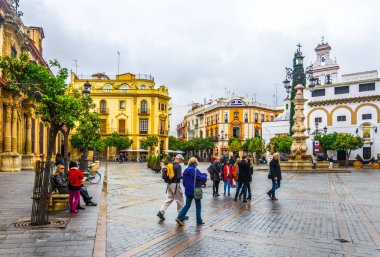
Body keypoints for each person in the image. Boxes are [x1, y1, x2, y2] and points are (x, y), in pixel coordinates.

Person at [176, 157, 207, 226]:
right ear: (195, 163)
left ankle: (179, 217)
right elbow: (202, 178)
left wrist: (187, 187)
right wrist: (205, 175)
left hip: (188, 190)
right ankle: (199, 220)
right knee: (198, 205)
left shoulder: (186, 170)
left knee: (187, 205)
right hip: (196, 190)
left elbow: (183, 182)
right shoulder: (195, 170)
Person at [157, 154, 185, 221]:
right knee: (180, 199)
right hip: (175, 184)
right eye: (181, 160)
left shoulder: (170, 164)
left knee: (170, 198)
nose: (181, 161)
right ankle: (181, 215)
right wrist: (184, 175)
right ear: (178, 159)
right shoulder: (178, 166)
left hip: (169, 184)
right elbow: (178, 177)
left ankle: (161, 211)